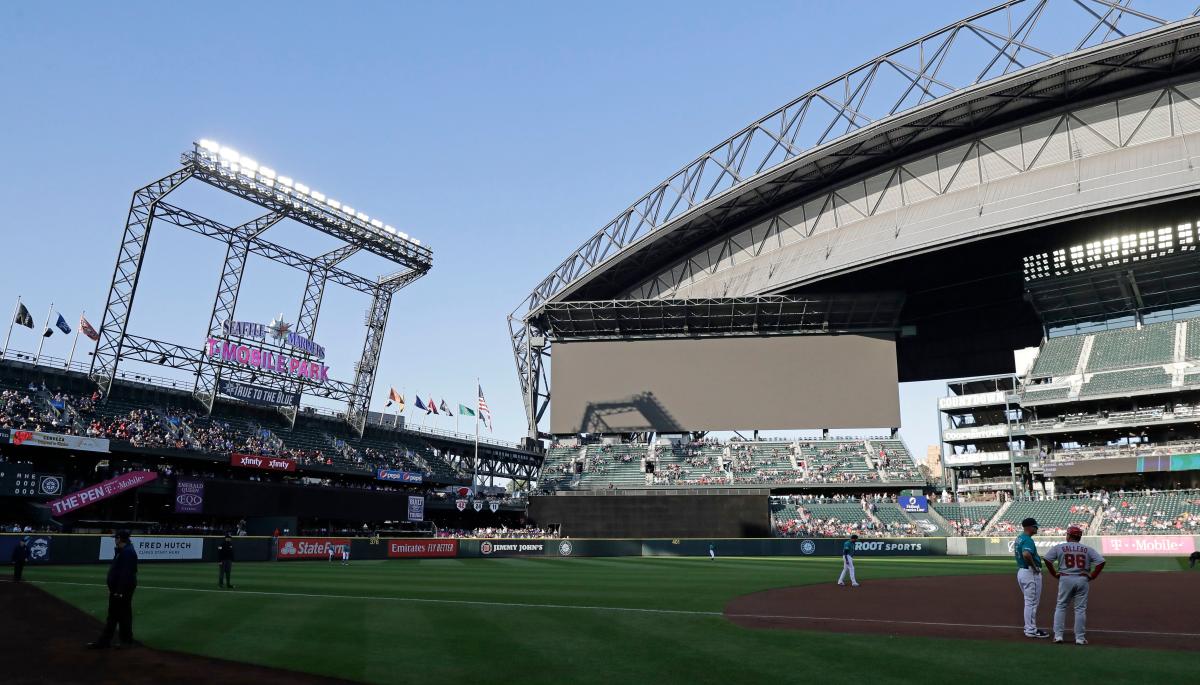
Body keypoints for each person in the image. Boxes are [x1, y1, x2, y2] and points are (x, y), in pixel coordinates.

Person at [1043, 526, 1105, 645]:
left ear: (1069, 535)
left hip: (1065, 578)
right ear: (1079, 537)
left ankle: (1058, 636)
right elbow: (1101, 562)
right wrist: (1093, 575)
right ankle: (1080, 638)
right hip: (1082, 579)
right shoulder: (1087, 549)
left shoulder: (1059, 547)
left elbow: (1047, 559)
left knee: (1061, 606)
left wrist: (1053, 573)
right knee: (1080, 609)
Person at [88, 531, 138, 649]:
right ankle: (109, 641)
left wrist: (119, 591)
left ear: (120, 539)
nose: (115, 540)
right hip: (118, 589)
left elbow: (126, 574)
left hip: (122, 590)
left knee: (121, 615)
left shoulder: (128, 552)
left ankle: (124, 641)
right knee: (115, 615)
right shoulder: (123, 551)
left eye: (116, 538)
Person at [1014, 517, 1048, 639]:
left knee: (1029, 602)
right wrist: (1034, 567)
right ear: (1029, 528)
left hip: (1022, 572)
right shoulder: (1027, 540)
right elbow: (1026, 554)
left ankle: (1030, 628)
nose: (1036, 528)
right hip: (1029, 573)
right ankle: (1030, 630)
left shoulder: (1019, 538)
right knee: (1031, 603)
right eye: (1035, 526)